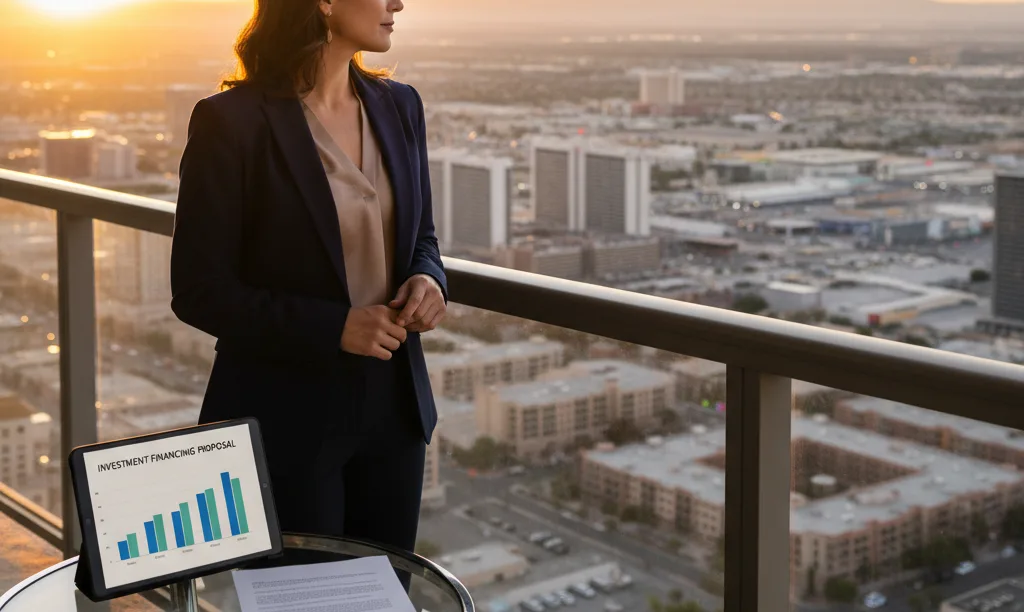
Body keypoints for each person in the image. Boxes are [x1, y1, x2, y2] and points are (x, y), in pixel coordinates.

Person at [169, 0, 446, 556]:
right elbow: (199, 289)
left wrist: (428, 279)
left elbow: (423, 237)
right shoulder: (231, 121)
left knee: (385, 591)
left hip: (393, 413)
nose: (398, 3)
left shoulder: (400, 106)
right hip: (286, 419)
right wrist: (334, 326)